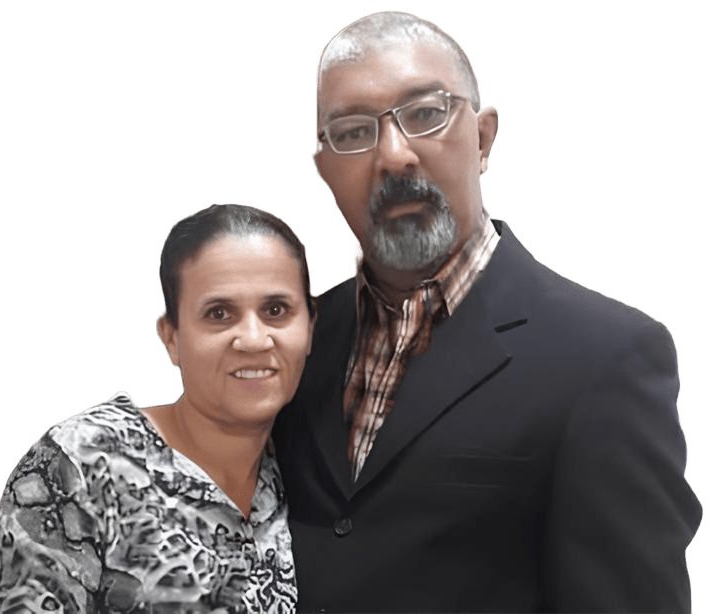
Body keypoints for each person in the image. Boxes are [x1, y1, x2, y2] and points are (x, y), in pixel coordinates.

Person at [273, 11, 703, 614]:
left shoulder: (606, 357)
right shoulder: (294, 345)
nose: (393, 155)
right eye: (352, 132)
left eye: (425, 114)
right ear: (324, 170)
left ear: (482, 138)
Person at [0, 204, 316, 613]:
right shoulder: (85, 463)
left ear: (310, 328)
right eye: (219, 314)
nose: (254, 339)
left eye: (276, 311)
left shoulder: (298, 473)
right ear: (171, 337)